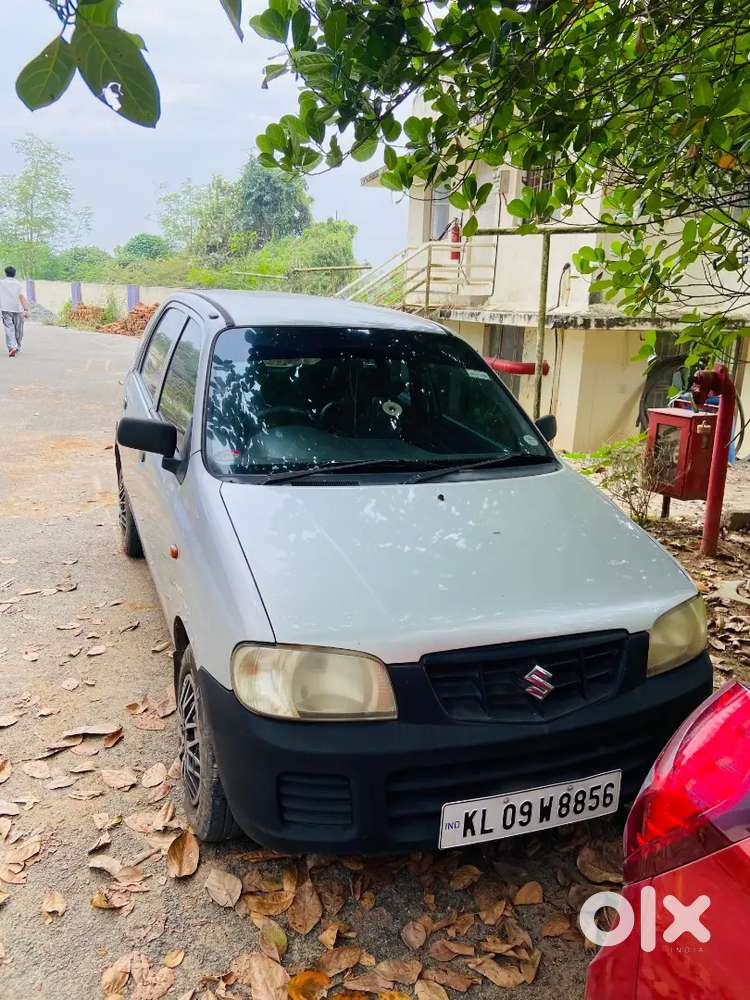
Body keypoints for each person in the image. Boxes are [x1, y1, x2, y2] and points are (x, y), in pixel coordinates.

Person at [1, 266, 30, 358]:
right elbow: (22, 297)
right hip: (18, 309)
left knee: (9, 328)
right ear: (15, 273)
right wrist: (26, 309)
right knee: (19, 330)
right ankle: (15, 346)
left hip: (5, 309)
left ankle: (13, 346)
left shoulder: (1, 283)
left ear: (6, 273)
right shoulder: (18, 284)